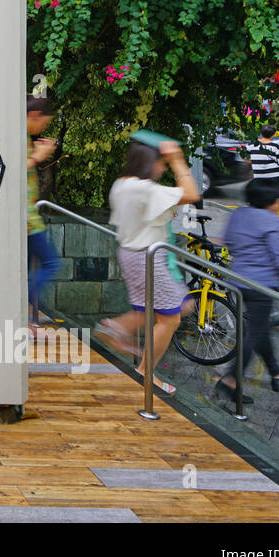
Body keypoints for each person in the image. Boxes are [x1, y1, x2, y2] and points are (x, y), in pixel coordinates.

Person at [94, 139, 201, 395]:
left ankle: (115, 328)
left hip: (132, 253)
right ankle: (144, 373)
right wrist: (177, 159)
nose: (162, 169)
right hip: (146, 257)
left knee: (160, 308)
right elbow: (192, 194)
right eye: (161, 163)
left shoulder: (122, 185)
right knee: (170, 318)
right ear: (149, 162)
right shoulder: (144, 189)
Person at [215, 179, 279, 404]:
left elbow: (228, 242)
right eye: (278, 198)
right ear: (271, 201)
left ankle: (277, 373)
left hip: (239, 281)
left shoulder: (239, 214)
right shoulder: (271, 221)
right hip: (261, 285)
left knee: (259, 327)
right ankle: (229, 380)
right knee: (255, 333)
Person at [26, 96, 62, 331]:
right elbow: (11, 167)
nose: (42, 129)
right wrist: (38, 157)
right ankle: (25, 310)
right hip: (27, 220)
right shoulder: (18, 136)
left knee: (26, 270)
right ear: (35, 116)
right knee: (50, 263)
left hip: (28, 217)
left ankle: (26, 318)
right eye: (43, 123)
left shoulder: (25, 137)